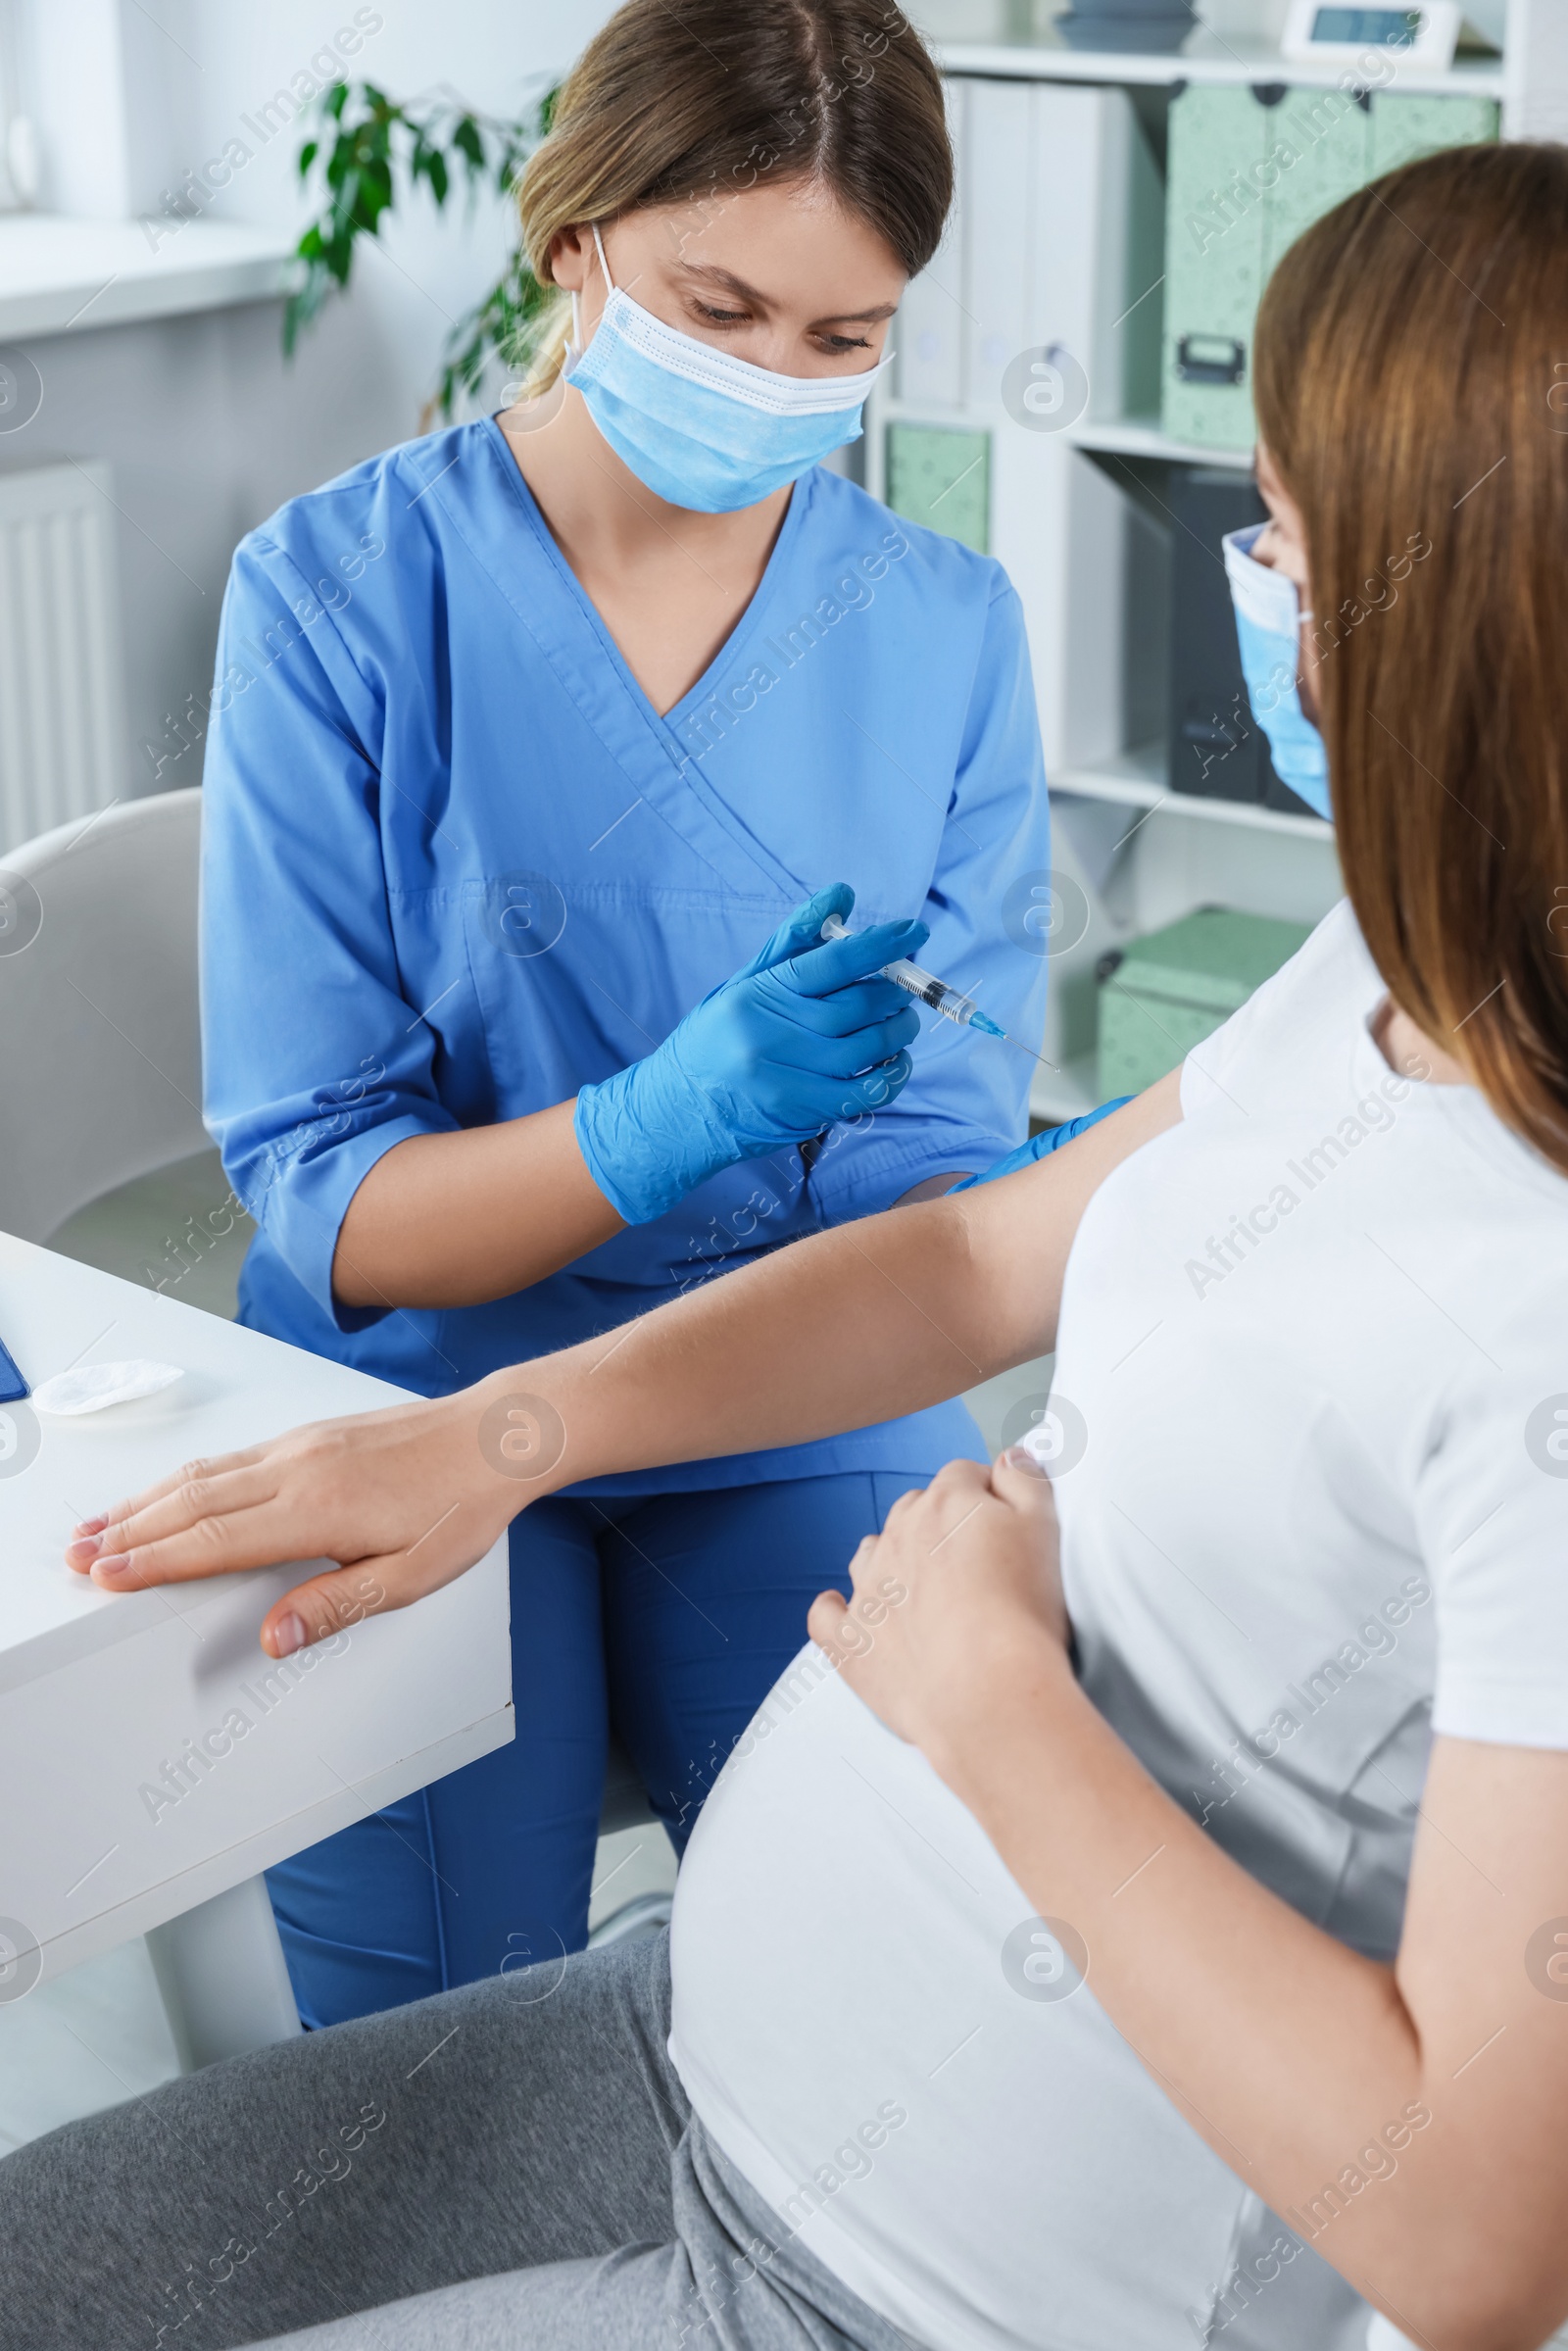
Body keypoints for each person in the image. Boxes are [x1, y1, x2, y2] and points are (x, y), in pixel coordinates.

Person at [28, 138, 1568, 2351]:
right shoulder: (1387, 968)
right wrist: (501, 1435)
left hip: (888, 2282)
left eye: (1285, 545)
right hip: (672, 2035)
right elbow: (972, 1264)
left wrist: (989, 1706)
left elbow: (1473, 2249)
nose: (1257, 589)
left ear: (1441, 627)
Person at [196, 0, 1062, 2026]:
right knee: (438, 2068)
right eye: (719, 304)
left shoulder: (937, 630)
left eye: (837, 341)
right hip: (407, 1386)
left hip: (788, 1386)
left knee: (897, 2001)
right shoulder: (338, 593)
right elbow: (326, 1192)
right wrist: (662, 1120)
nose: (775, 379)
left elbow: (934, 1193)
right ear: (570, 244)